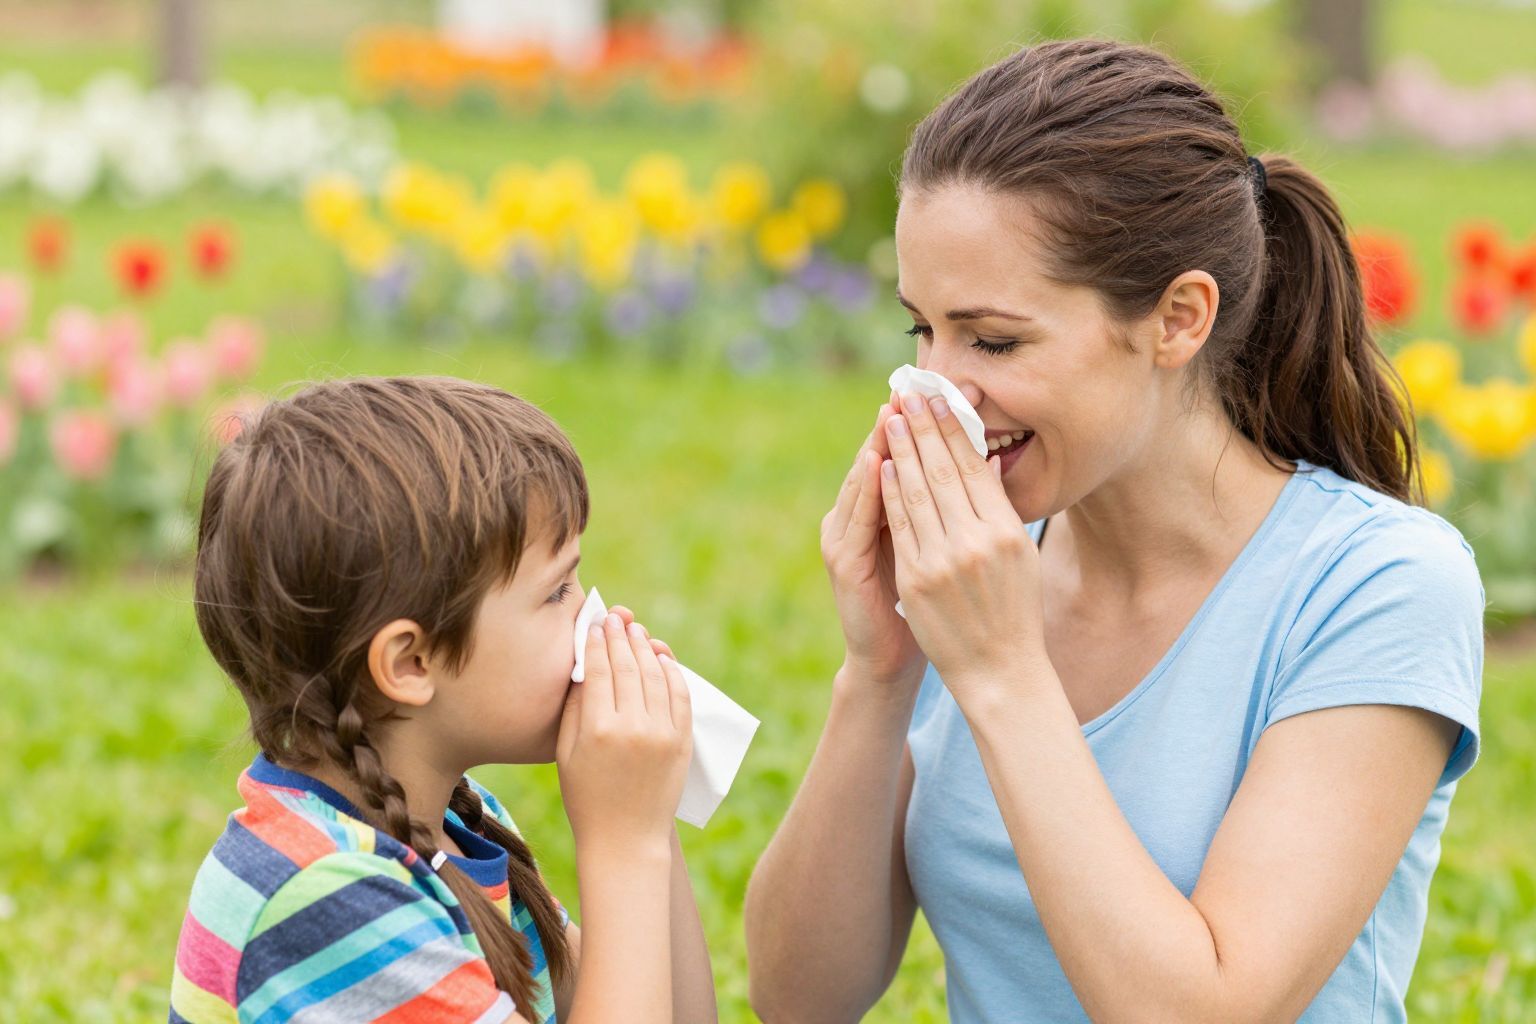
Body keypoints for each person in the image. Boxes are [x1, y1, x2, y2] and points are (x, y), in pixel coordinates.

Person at [746, 39, 1484, 1023]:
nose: (930, 389)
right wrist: (878, 676)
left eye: (994, 339)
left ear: (1177, 320)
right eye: (920, 331)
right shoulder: (988, 569)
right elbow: (800, 997)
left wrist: (1004, 671)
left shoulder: (1379, 584)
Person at [169, 376, 717, 1023]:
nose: (593, 619)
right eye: (556, 592)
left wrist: (650, 814)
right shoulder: (322, 894)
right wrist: (625, 843)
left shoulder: (462, 822)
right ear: (411, 662)